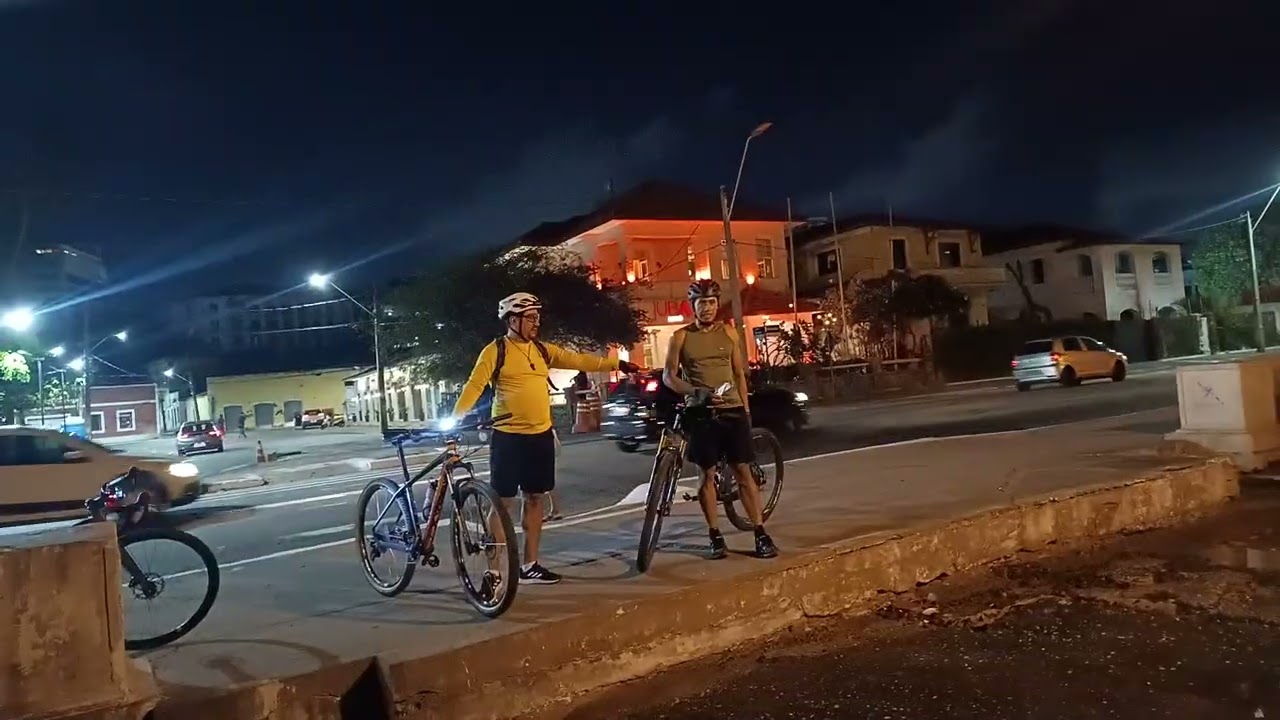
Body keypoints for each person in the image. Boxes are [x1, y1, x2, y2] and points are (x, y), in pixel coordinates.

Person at [452, 291, 639, 585]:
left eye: (537, 317)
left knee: (536, 498)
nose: (536, 322)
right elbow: (474, 385)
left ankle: (530, 564)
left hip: (539, 436)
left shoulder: (541, 350)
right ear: (513, 320)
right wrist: (457, 417)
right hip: (508, 437)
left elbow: (577, 359)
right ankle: (493, 571)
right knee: (502, 503)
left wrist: (617, 364)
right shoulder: (496, 351)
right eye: (530, 318)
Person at [662, 279, 778, 560]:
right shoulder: (681, 337)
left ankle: (760, 532)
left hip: (733, 409)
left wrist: (746, 411)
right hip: (701, 413)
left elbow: (739, 374)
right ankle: (715, 535)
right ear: (693, 306)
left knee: (743, 471)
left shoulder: (730, 334)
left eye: (712, 302)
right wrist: (695, 392)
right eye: (702, 303)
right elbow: (669, 376)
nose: (708, 308)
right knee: (707, 475)